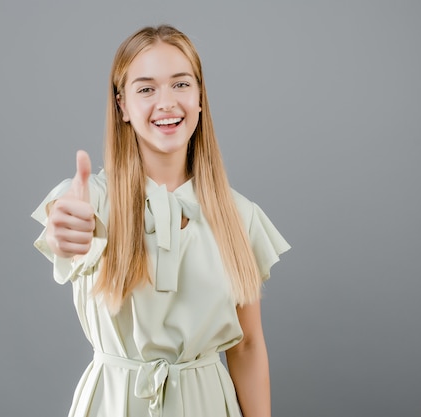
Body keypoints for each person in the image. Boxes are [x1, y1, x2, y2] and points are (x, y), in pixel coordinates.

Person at [31, 25, 290, 417]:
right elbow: (65, 228)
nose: (166, 102)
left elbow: (248, 345)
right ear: (122, 105)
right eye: (146, 88)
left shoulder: (240, 215)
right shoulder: (92, 199)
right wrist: (66, 231)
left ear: (201, 97)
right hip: (115, 404)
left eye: (181, 84)